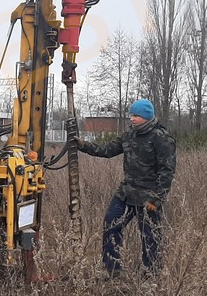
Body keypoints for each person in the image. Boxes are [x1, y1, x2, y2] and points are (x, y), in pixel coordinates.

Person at [75, 99, 176, 278]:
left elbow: (167, 171)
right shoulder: (129, 135)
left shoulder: (161, 138)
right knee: (111, 223)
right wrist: (83, 146)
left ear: (146, 117)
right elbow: (107, 149)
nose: (132, 119)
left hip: (149, 196)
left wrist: (158, 198)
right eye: (131, 115)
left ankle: (151, 275)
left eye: (136, 116)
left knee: (150, 235)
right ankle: (112, 268)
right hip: (126, 193)